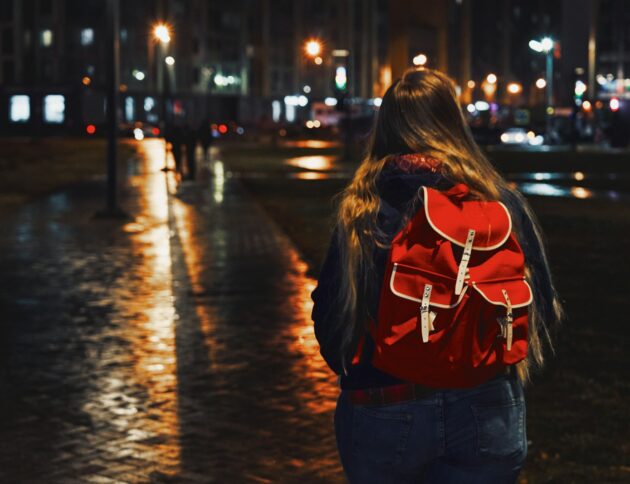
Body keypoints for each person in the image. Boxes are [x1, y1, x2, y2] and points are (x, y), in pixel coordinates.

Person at [311, 68, 564, 484]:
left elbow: (331, 318)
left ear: (386, 126)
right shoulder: (501, 204)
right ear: (454, 123)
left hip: (386, 405)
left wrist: (362, 373)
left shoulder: (364, 209)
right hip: (487, 405)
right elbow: (542, 307)